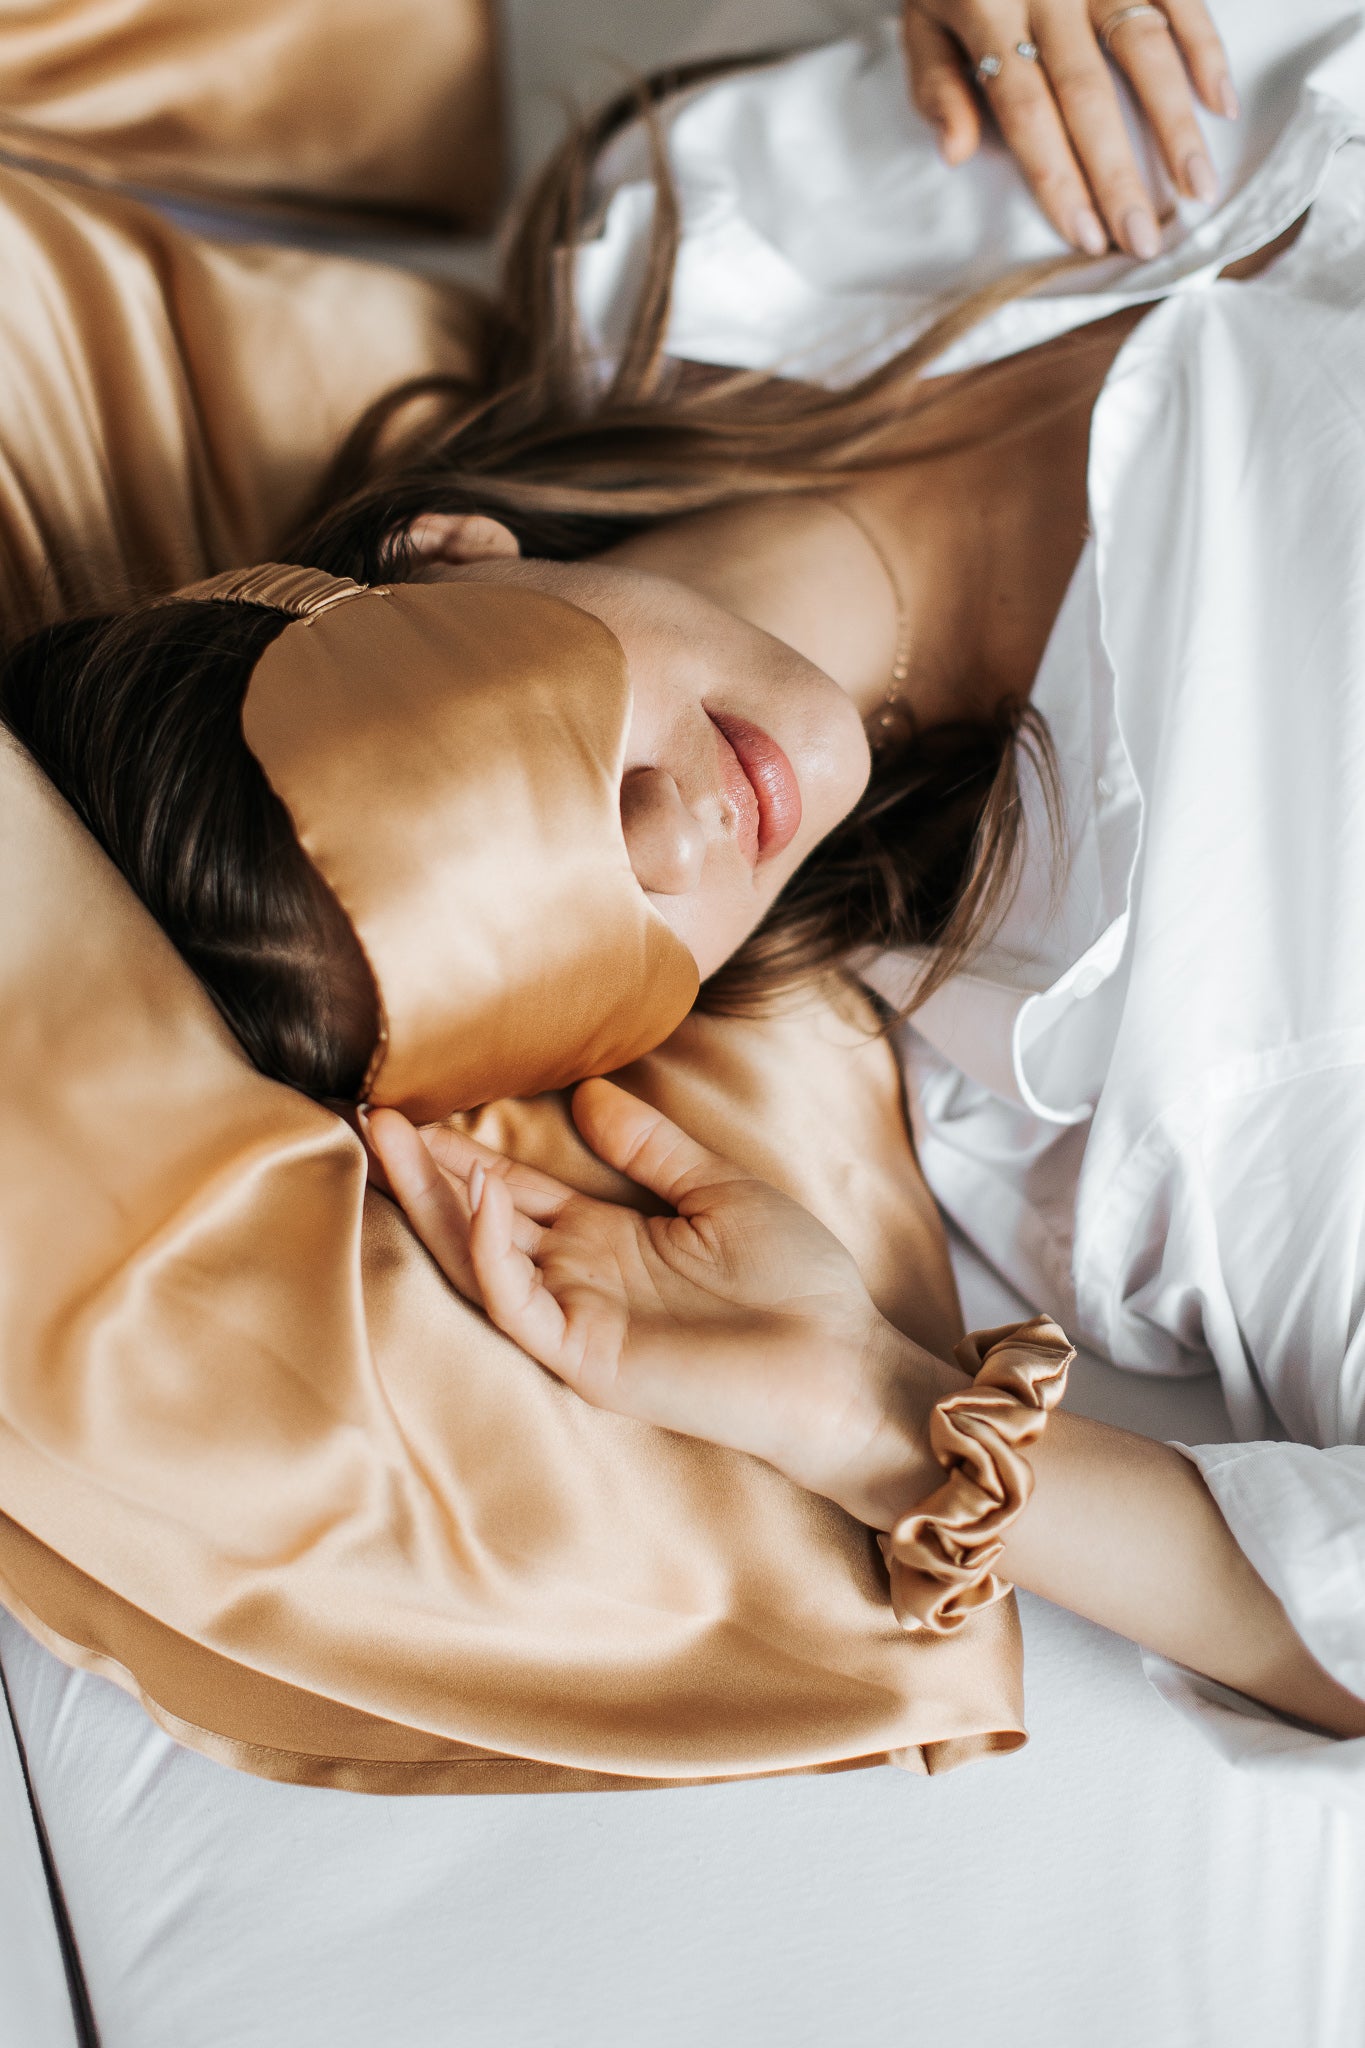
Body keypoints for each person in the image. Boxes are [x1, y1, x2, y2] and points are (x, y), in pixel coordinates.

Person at [7, 0, 1365, 1782]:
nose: (658, 835)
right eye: (568, 939)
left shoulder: (686, 224)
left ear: (440, 554)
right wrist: (874, 1415)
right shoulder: (1148, 1061)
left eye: (511, 762)